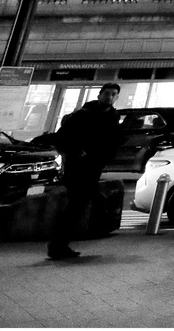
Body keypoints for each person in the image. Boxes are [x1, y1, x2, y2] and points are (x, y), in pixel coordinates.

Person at [47, 82, 124, 260]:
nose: (110, 97)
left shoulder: (112, 117)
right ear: (99, 94)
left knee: (79, 206)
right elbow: (63, 137)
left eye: (113, 94)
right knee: (75, 205)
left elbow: (111, 140)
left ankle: (60, 244)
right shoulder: (83, 114)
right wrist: (77, 151)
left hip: (94, 166)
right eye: (107, 93)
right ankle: (58, 244)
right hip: (78, 166)